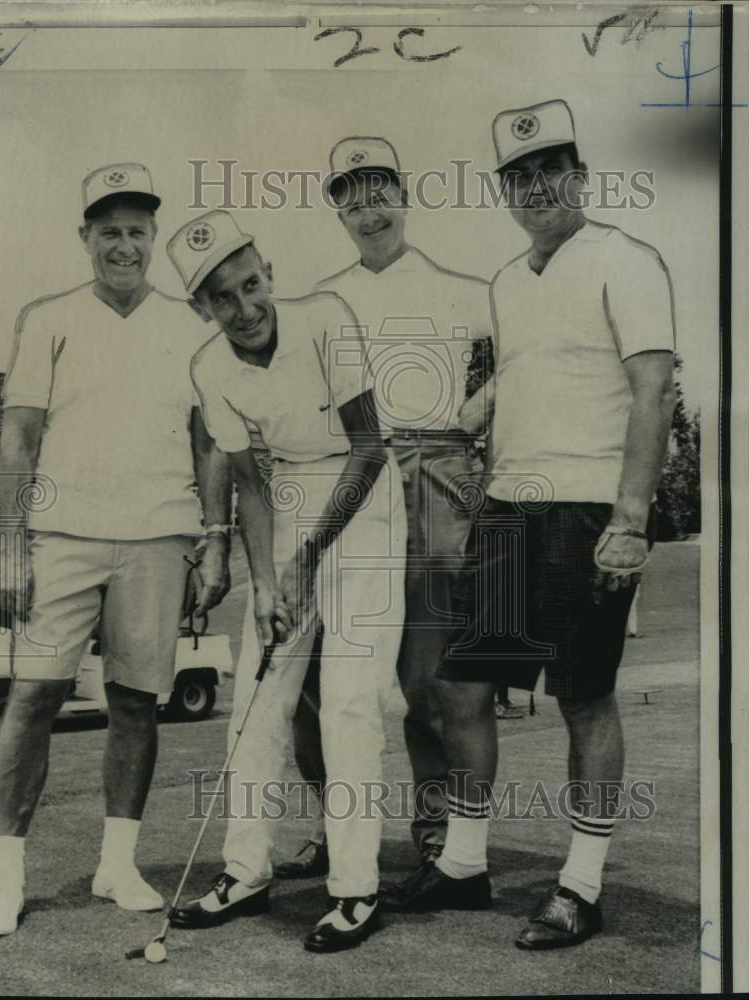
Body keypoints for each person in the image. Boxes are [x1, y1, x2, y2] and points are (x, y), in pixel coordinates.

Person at [382, 99, 676, 951]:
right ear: (504, 193)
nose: (536, 187)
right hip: (507, 509)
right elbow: (518, 377)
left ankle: (580, 888)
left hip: (588, 509)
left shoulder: (628, 258)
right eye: (518, 177)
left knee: (583, 696)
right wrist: (455, 421)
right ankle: (466, 866)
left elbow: (652, 390)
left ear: (580, 177)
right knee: (461, 689)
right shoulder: (510, 281)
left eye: (551, 170)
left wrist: (631, 518)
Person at [0, 164, 231, 937]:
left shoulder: (193, 325)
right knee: (33, 699)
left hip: (158, 535)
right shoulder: (47, 318)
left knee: (136, 702)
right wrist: (9, 542)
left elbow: (211, 444)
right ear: (85, 238)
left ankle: (118, 865)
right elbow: (16, 437)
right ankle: (4, 875)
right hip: (63, 536)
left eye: (137, 232)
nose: (125, 245)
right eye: (109, 231)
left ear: (154, 238)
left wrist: (214, 544)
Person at [164, 210, 407, 953]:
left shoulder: (326, 317)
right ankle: (245, 872)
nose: (244, 309)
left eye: (250, 284)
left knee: (349, 703)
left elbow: (368, 448)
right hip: (289, 497)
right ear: (202, 309)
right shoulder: (210, 368)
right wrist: (267, 582)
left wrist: (307, 559)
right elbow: (249, 484)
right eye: (223, 300)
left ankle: (357, 890)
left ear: (266, 268)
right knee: (259, 701)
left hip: (366, 499)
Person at [274, 137, 494, 880]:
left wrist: (470, 419)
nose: (368, 210)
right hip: (351, 474)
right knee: (321, 674)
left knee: (429, 677)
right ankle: (343, 829)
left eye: (379, 192)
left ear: (405, 195)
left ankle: (437, 836)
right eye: (350, 196)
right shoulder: (319, 301)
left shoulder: (464, 286)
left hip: (436, 468)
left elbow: (528, 358)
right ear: (336, 208)